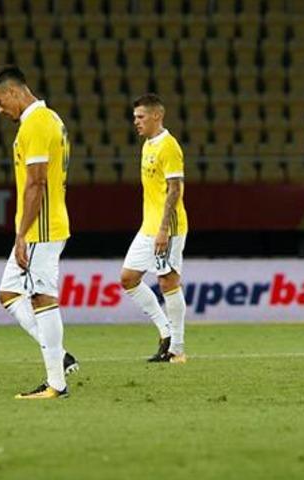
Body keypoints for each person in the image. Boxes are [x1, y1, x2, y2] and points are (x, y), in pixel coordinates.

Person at [0, 65, 77, 399]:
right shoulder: (51, 118)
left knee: (42, 297)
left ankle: (56, 383)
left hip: (40, 227)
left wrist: (21, 234)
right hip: (46, 224)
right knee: (10, 292)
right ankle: (60, 356)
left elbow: (37, 182)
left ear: (13, 92)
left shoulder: (36, 124)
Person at [120, 93, 189, 363]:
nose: (135, 122)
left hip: (167, 227)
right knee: (128, 278)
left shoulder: (168, 146)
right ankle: (166, 332)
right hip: (147, 227)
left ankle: (178, 349)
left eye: (140, 117)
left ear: (157, 116)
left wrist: (163, 229)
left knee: (167, 281)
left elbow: (175, 190)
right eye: (135, 117)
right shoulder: (148, 144)